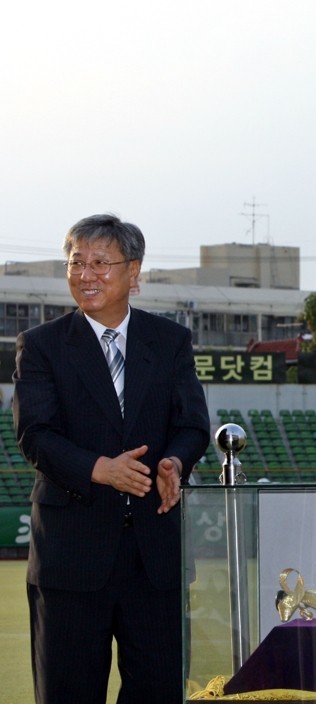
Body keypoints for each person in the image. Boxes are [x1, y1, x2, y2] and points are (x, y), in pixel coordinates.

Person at [13, 213, 210, 704]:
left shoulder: (170, 342)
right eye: (76, 262)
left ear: (133, 271)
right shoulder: (41, 346)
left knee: (159, 691)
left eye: (100, 263)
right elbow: (35, 434)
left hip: (154, 558)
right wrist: (100, 469)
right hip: (71, 557)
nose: (86, 275)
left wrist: (174, 464)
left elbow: (192, 425)